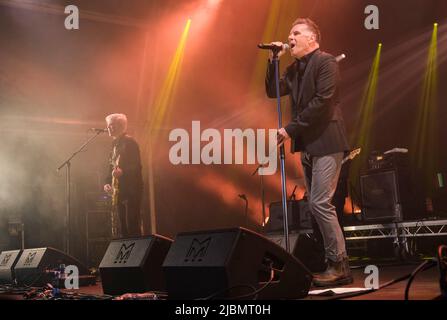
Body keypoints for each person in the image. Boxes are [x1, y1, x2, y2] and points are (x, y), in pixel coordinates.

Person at [265, 18, 352, 287]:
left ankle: (339, 264)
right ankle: (333, 263)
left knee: (319, 203)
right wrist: (273, 60)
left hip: (327, 140)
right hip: (309, 145)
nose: (289, 37)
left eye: (296, 33)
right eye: (289, 33)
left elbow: (323, 103)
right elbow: (272, 91)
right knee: (317, 206)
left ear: (312, 39)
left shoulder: (325, 62)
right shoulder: (295, 69)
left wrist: (290, 129)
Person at [103, 113, 143, 238]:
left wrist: (123, 171)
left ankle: (138, 253)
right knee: (123, 228)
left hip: (131, 190)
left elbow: (136, 166)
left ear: (120, 126)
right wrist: (107, 183)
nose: (108, 128)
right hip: (119, 191)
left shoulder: (130, 142)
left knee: (132, 225)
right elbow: (111, 167)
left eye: (111, 125)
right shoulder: (114, 145)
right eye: (108, 125)